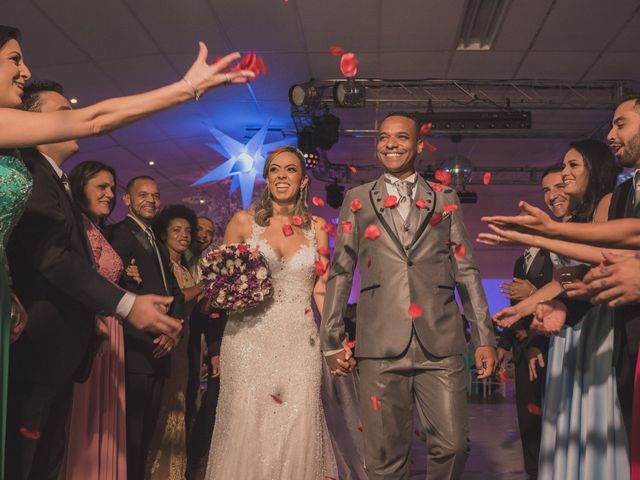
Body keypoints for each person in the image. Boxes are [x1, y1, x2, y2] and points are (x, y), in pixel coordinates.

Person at [0, 23, 253, 478]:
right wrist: (184, 89)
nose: (25, 69)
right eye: (14, 59)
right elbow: (95, 119)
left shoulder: (16, 143)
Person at [321, 113, 498, 480]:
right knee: (385, 457)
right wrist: (331, 339)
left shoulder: (444, 197)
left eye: (401, 137)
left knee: (452, 447)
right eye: (384, 137)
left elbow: (466, 269)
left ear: (419, 145)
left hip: (441, 341)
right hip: (379, 343)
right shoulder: (357, 200)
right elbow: (340, 271)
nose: (391, 144)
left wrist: (484, 336)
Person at [479, 139, 628, 479]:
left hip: (593, 320)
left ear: (595, 167)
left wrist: (536, 241)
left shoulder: (606, 203)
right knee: (564, 417)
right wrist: (524, 309)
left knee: (591, 414)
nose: (565, 174)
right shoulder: (576, 214)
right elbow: (564, 276)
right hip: (568, 329)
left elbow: (599, 265)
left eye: (572, 166)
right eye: (564, 166)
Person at [205, 147, 338, 479]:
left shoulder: (318, 228)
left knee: (298, 420)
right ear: (267, 177)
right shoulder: (242, 222)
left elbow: (322, 287)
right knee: (246, 422)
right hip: (248, 338)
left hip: (300, 339)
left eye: (290, 170)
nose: (282, 176)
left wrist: (335, 338)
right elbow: (223, 285)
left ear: (304, 180)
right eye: (275, 169)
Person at [107, 177, 186, 480]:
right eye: (143, 195)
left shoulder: (156, 241)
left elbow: (176, 293)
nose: (151, 200)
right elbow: (111, 287)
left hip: (161, 348)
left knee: (147, 432)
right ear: (127, 200)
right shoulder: (118, 234)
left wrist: (172, 330)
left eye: (155, 195)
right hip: (135, 349)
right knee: (130, 434)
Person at [64, 161, 135, 479]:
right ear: (81, 187)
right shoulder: (77, 226)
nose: (109, 194)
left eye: (112, 188)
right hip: (93, 327)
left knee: (104, 415)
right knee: (86, 415)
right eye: (101, 187)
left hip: (112, 331)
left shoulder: (98, 229)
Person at [496, 164, 566, 480]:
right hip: (526, 349)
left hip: (550, 346)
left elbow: (570, 294)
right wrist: (503, 346)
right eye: (546, 191)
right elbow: (516, 308)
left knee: (552, 422)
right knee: (528, 423)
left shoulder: (558, 251)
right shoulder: (519, 260)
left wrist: (533, 293)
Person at [146, 204, 202, 479]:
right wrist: (206, 285)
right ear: (163, 233)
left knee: (180, 403)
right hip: (168, 342)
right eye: (177, 230)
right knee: (164, 406)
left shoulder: (184, 266)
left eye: (188, 231)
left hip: (185, 345)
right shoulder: (163, 265)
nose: (184, 235)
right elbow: (175, 298)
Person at [185, 216, 226, 480]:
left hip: (197, 336)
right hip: (177, 333)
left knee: (192, 398)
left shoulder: (207, 264)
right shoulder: (174, 258)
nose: (203, 235)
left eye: (209, 232)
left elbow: (208, 312)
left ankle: (189, 461)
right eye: (198, 229)